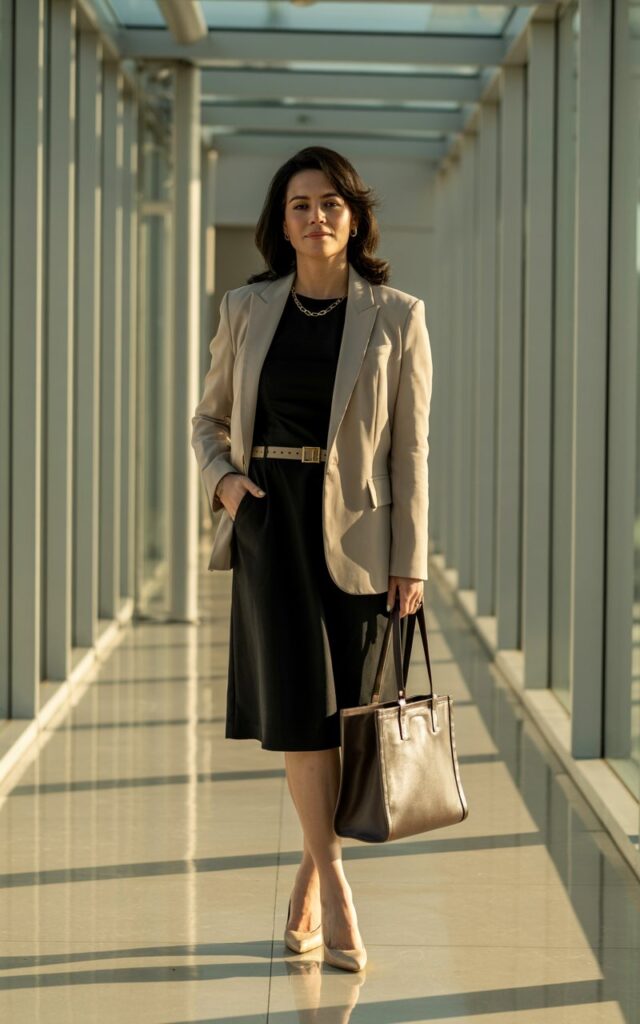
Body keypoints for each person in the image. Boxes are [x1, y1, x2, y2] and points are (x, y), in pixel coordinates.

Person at [191, 145, 433, 973]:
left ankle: (302, 880)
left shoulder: (398, 316)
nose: (316, 217)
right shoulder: (246, 308)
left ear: (355, 217)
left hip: (362, 542)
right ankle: (335, 888)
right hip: (270, 526)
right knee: (301, 711)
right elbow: (207, 420)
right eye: (300, 205)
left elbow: (411, 451)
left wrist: (414, 561)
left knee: (345, 722)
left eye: (331, 203)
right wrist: (226, 486)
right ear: (281, 222)